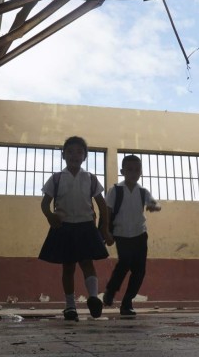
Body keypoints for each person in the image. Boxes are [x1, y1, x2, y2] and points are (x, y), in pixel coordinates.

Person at [39, 136, 114, 321]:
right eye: (70, 151)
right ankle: (70, 306)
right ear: (63, 155)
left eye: (79, 151)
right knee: (68, 267)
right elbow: (44, 204)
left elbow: (102, 205)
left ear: (85, 157)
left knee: (87, 263)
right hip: (63, 227)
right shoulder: (56, 179)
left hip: (86, 226)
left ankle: (94, 299)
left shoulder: (90, 178)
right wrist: (50, 216)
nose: (75, 155)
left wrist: (104, 228)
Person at [102, 154, 161, 316]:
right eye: (130, 169)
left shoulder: (143, 192)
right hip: (121, 233)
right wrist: (106, 231)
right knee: (125, 263)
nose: (133, 173)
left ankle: (127, 302)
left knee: (139, 270)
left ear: (140, 172)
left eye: (137, 170)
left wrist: (155, 207)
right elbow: (107, 212)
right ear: (123, 171)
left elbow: (154, 203)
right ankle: (111, 290)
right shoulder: (115, 190)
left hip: (140, 234)